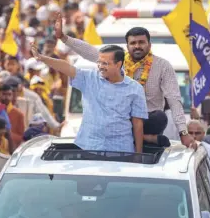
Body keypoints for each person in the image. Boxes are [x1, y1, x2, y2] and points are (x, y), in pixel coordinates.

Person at [54, 14, 196, 148]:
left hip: (147, 121)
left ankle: (143, 137)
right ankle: (143, 138)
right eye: (133, 43)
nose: (137, 46)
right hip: (118, 120)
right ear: (127, 46)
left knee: (160, 117)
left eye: (141, 42)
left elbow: (174, 99)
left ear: (149, 45)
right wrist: (63, 37)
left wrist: (183, 133)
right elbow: (89, 52)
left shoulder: (163, 66)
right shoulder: (117, 61)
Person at [31, 43, 148, 153]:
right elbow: (66, 67)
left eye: (105, 63)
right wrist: (42, 58)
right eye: (99, 63)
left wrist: (138, 155)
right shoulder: (89, 78)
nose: (101, 67)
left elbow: (138, 123)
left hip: (121, 150)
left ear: (118, 64)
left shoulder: (135, 89)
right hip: (90, 148)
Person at [0, 83, 25, 148]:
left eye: (9, 94)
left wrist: (6, 134)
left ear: (12, 96)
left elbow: (21, 137)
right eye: (4, 94)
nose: (6, 97)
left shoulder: (18, 114)